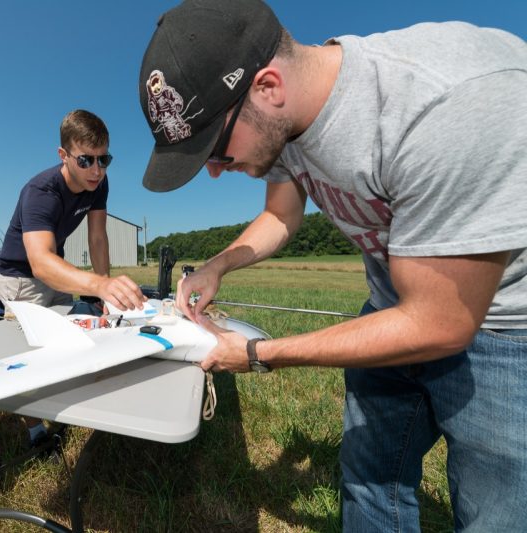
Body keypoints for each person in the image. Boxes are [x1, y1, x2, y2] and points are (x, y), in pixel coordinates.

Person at [138, 1, 527, 531]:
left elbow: (441, 323)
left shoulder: (441, 105)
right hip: (394, 307)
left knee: (495, 514)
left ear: (268, 87)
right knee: (368, 479)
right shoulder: (285, 122)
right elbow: (280, 214)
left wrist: (255, 353)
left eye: (216, 149)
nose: (213, 172)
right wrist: (217, 266)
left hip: (505, 327)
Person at [0, 109, 145, 446]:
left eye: (104, 159)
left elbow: (97, 236)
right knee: (32, 354)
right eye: (86, 161)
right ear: (63, 155)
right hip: (21, 277)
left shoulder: (99, 183)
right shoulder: (40, 192)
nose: (96, 170)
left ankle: (58, 410)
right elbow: (40, 263)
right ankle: (36, 432)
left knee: (64, 344)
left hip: (56, 273)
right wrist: (99, 284)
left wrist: (105, 292)